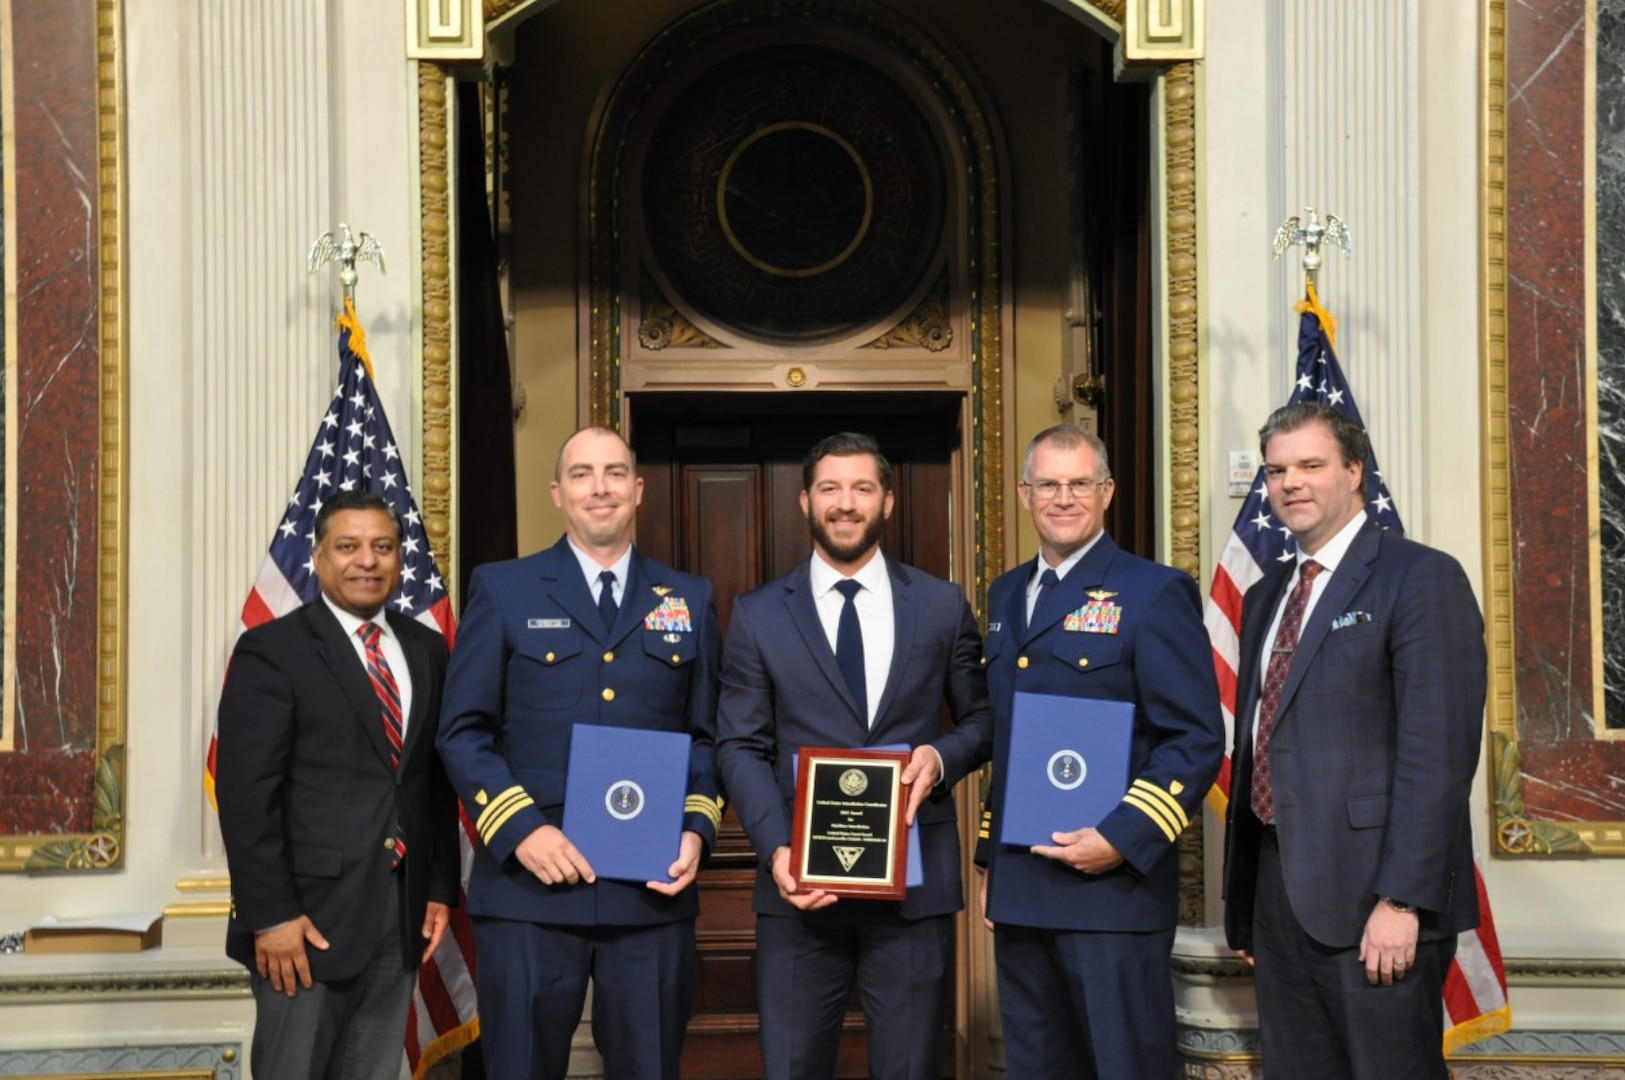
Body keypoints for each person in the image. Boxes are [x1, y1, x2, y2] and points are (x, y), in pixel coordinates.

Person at [435, 425, 723, 1080]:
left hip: (649, 893)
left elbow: (707, 736)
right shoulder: (503, 589)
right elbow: (463, 729)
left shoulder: (687, 598)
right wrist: (519, 829)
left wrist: (695, 831)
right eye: (584, 474)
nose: (601, 488)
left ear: (637, 490)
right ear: (557, 492)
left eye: (615, 473)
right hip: (529, 889)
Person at [715, 431, 993, 1080]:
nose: (846, 503)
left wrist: (940, 755)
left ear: (887, 502)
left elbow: (983, 721)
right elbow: (739, 744)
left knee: (910, 1067)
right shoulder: (757, 616)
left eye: (862, 488)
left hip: (912, 887)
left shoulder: (940, 605)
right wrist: (776, 851)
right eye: (831, 489)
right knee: (792, 1067)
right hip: (797, 888)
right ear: (804, 501)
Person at [1222, 402, 1485, 1079]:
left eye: (1310, 465)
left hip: (1377, 900)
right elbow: (1263, 740)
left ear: (1354, 471)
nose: (1290, 484)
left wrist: (1401, 901)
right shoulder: (1266, 593)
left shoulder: (1419, 577)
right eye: (1276, 470)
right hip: (1280, 898)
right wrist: (1250, 903)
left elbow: (1438, 755)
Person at [978, 423, 1224, 1079]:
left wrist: (1121, 836)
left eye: (1078, 483)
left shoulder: (1153, 591)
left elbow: (1195, 737)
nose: (1063, 498)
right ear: (1026, 493)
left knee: (1122, 1067)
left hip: (1112, 890)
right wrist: (991, 868)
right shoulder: (1005, 596)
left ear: (1106, 491)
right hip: (1021, 888)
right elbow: (1008, 734)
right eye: (1048, 484)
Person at [216, 490, 458, 1080]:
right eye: (348, 547)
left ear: (401, 559)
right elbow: (246, 797)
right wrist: (270, 916)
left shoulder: (426, 648)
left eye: (382, 547)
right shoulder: (273, 651)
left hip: (399, 916)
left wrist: (439, 887)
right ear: (318, 557)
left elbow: (431, 780)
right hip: (304, 924)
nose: (366, 561)